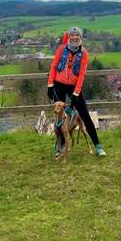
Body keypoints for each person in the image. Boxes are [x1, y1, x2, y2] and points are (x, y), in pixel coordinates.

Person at [47, 26, 107, 156]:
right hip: (59, 84)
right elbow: (53, 67)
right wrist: (50, 85)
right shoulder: (61, 49)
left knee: (85, 115)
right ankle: (60, 145)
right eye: (72, 35)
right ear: (69, 37)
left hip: (74, 86)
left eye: (77, 36)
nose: (74, 38)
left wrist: (76, 93)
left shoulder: (84, 53)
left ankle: (97, 145)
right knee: (60, 116)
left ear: (80, 37)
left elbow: (81, 75)